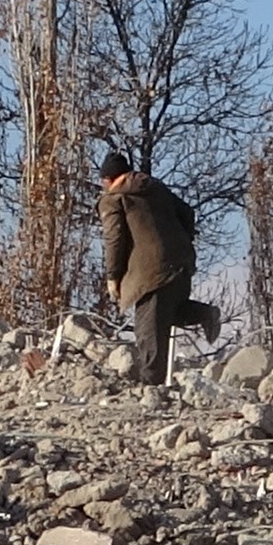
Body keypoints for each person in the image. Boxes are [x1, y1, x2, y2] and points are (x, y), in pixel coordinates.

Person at [99, 150, 201, 384]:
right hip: (182, 261)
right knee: (168, 312)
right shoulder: (156, 188)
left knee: (148, 330)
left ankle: (151, 387)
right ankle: (204, 314)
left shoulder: (114, 199)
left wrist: (113, 277)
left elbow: (114, 239)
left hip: (152, 271)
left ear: (108, 179)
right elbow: (187, 212)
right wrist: (179, 242)